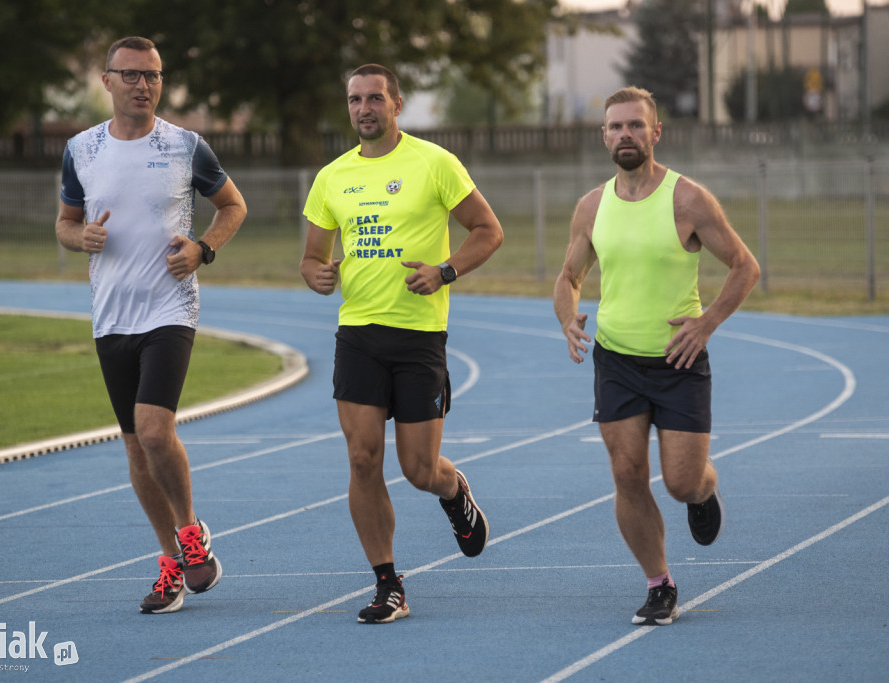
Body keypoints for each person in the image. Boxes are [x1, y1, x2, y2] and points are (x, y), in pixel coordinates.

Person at [300, 64, 504, 624]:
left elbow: (488, 231)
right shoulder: (331, 177)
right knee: (363, 458)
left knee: (419, 468)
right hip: (359, 334)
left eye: (374, 99)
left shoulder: (434, 162)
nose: (363, 109)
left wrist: (445, 271)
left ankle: (453, 488)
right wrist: (316, 273)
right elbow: (313, 257)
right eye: (354, 100)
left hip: (418, 337)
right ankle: (388, 583)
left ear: (396, 104)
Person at [55, 36, 247, 614]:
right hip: (111, 316)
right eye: (132, 75)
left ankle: (191, 532)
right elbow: (65, 223)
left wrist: (202, 249)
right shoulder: (81, 149)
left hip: (170, 309)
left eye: (154, 76)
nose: (144, 85)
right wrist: (79, 237)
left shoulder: (186, 146)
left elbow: (233, 207)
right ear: (107, 81)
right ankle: (170, 564)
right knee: (137, 451)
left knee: (156, 431)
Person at [554, 86, 760, 626]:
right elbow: (569, 277)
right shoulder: (592, 206)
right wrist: (566, 316)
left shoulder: (687, 199)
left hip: (678, 359)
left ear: (655, 132)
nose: (625, 135)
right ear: (604, 136)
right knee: (626, 473)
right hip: (616, 360)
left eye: (635, 126)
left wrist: (707, 322)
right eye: (615, 127)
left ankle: (703, 492)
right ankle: (659, 583)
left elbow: (744, 266)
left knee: (681, 481)